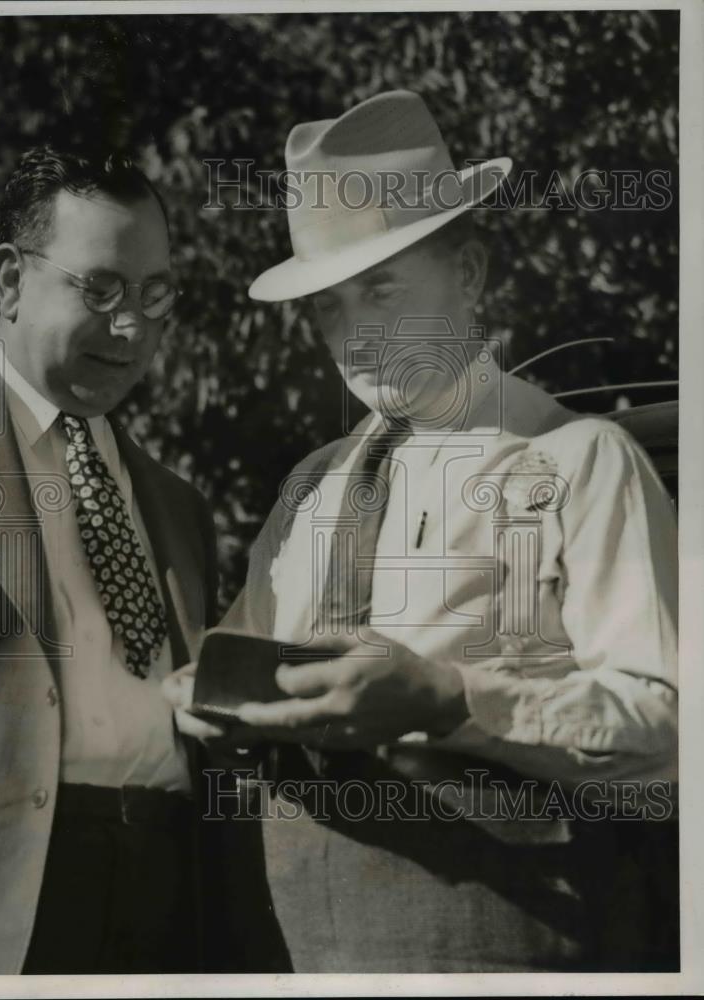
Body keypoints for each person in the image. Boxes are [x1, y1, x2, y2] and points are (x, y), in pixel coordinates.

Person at [165, 90, 679, 972]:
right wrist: (204, 700)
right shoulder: (310, 488)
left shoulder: (580, 461)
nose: (354, 336)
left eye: (381, 290)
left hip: (508, 932)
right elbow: (244, 663)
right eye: (327, 307)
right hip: (294, 933)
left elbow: (669, 738)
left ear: (470, 274)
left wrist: (450, 701)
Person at [0, 146, 220, 974]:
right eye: (98, 288)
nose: (131, 326)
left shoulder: (176, 503)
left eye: (153, 293)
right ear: (11, 280)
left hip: (168, 901)